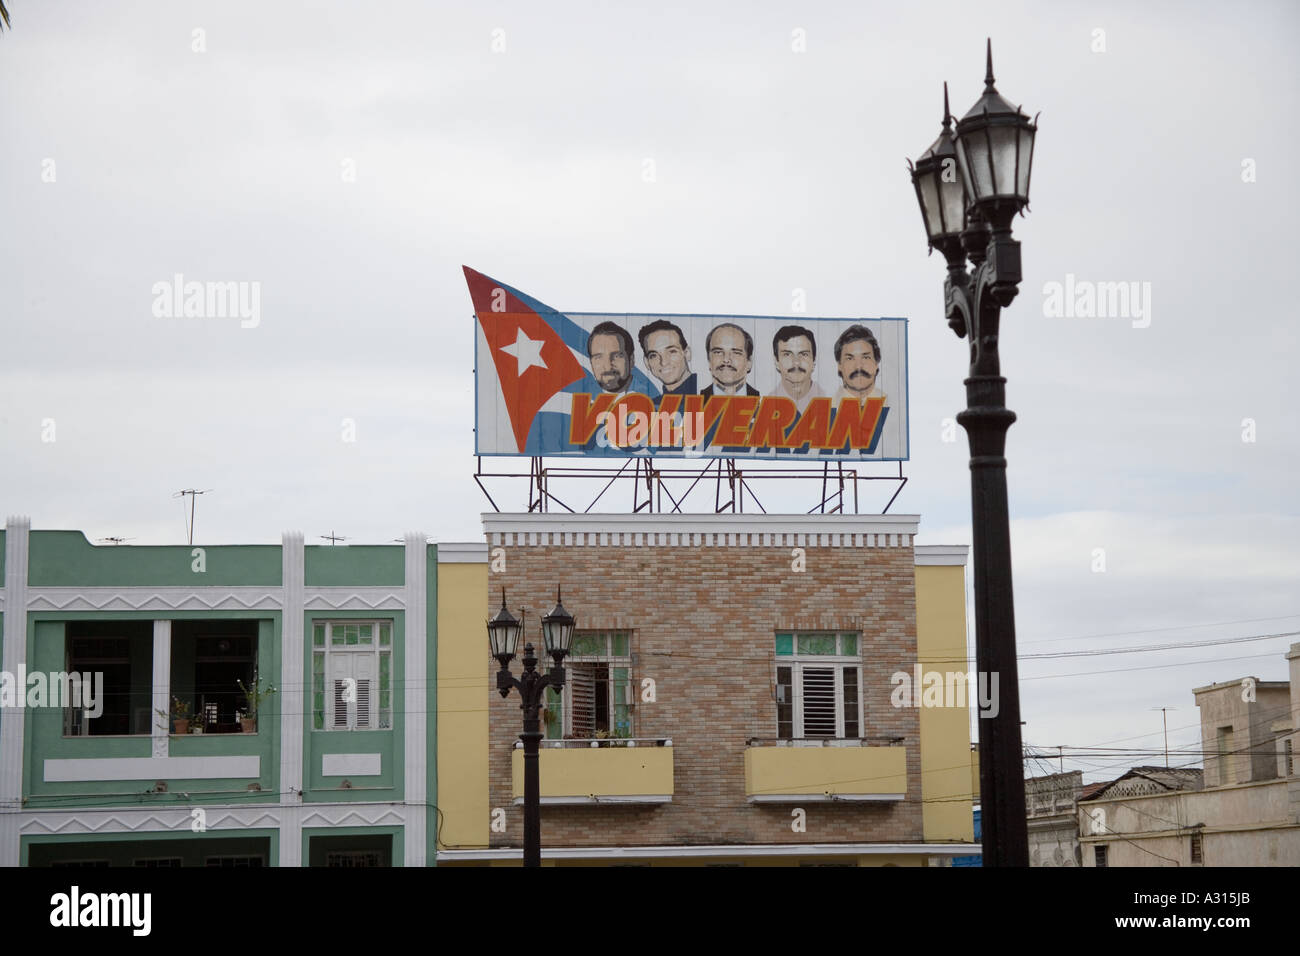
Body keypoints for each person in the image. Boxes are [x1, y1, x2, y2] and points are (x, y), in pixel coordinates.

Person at [768, 325, 824, 415]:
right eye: (787, 354)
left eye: (804, 354)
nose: (796, 362)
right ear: (776, 362)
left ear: (814, 361)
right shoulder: (765, 406)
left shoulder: (831, 402)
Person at [638, 319, 696, 396]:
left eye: (672, 351)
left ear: (687, 353)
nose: (664, 362)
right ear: (647, 363)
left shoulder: (709, 394)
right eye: (654, 355)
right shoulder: (652, 405)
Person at [833, 324, 887, 406]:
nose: (858, 366)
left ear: (876, 363)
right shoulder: (828, 407)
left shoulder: (894, 405)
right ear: (839, 366)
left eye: (865, 357)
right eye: (850, 358)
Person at [701, 322, 759, 397]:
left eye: (736, 353)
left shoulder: (763, 398)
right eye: (718, 352)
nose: (726, 359)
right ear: (709, 360)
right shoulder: (695, 399)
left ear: (749, 362)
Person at [587, 321, 635, 394]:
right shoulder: (585, 397)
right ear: (591, 362)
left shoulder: (652, 400)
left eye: (617, 356)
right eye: (598, 357)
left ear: (631, 360)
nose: (608, 367)